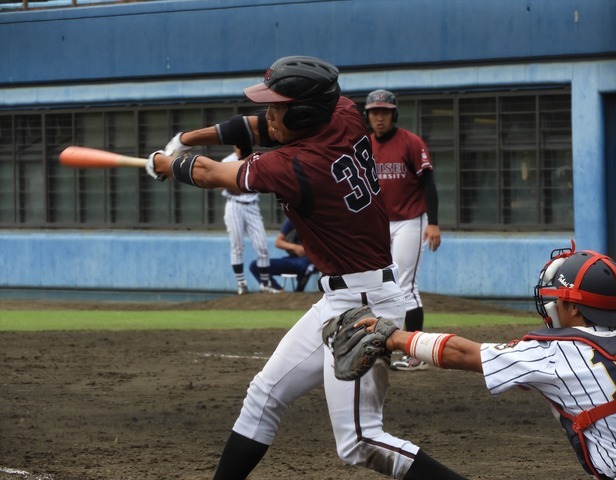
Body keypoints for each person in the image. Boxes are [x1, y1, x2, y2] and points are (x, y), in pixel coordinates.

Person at [146, 56, 467, 480]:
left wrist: (165, 163)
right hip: (342, 297)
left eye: (280, 107)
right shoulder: (345, 113)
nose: (269, 114)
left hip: (366, 306)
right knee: (264, 394)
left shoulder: (296, 165)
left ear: (302, 115)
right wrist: (185, 137)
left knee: (360, 441)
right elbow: (255, 127)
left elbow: (209, 173)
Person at [353, 241, 616, 480]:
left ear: (574, 308)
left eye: (558, 300)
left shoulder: (554, 353)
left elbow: (462, 353)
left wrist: (394, 338)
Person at [364, 89, 441, 371]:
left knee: (405, 286)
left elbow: (428, 183)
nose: (379, 117)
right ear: (368, 116)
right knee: (381, 284)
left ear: (394, 114)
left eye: (384, 112)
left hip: (410, 220)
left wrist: (432, 222)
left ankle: (416, 354)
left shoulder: (410, 142)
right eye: (374, 112)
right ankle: (388, 344)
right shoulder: (365, 144)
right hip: (381, 222)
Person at [220, 145, 281, 295]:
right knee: (237, 246)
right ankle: (241, 284)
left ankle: (265, 284)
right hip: (234, 205)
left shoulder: (254, 159)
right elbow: (219, 181)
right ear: (234, 145)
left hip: (252, 205)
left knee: (262, 246)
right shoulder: (228, 161)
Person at [249, 218, 316, 292]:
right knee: (255, 266)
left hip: (313, 260)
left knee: (307, 266)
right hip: (294, 259)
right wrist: (294, 247)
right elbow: (278, 242)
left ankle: (299, 292)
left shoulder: (320, 219)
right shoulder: (293, 218)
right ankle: (278, 290)